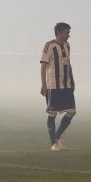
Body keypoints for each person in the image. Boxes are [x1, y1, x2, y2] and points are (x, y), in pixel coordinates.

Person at [39, 22, 76, 151]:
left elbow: (68, 64)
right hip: (53, 86)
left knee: (72, 111)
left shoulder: (67, 46)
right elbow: (43, 65)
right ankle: (53, 144)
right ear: (59, 33)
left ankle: (57, 136)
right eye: (67, 33)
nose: (69, 35)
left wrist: (72, 80)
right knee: (52, 114)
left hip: (66, 85)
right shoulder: (49, 46)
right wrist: (44, 85)